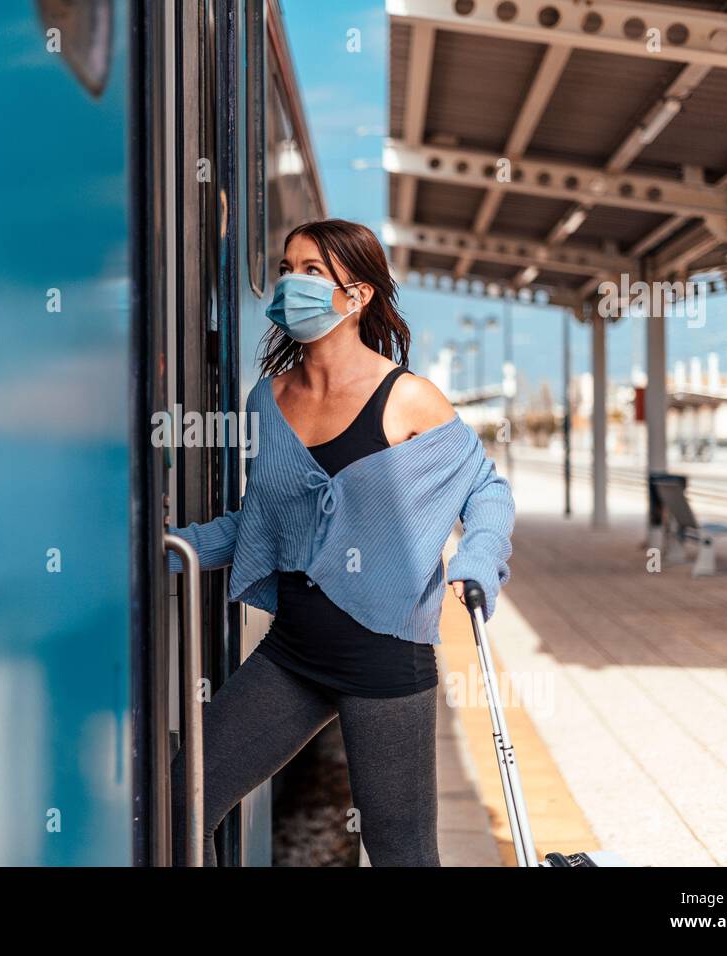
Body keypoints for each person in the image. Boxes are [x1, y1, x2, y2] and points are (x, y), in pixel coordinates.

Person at [168, 218, 514, 866]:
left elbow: (486, 490)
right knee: (187, 794)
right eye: (285, 269)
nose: (289, 284)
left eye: (311, 273)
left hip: (384, 663)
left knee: (400, 852)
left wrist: (477, 561)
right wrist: (173, 546)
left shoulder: (406, 398)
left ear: (356, 297)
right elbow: (262, 524)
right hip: (292, 655)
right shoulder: (266, 401)